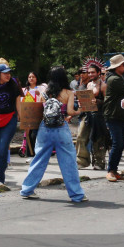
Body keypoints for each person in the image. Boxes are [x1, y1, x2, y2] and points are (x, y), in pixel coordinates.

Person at [20, 67, 86, 202]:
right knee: (68, 162)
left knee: (39, 159)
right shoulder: (68, 92)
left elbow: (38, 110)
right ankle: (77, 195)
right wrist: (80, 110)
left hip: (45, 128)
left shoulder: (44, 92)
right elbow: (70, 112)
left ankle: (27, 189)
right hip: (61, 128)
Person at [103, 54, 124, 182]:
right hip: (113, 115)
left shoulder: (120, 78)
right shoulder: (114, 79)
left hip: (120, 115)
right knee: (117, 143)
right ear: (117, 67)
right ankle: (110, 170)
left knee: (121, 143)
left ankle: (114, 169)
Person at [76, 63, 108, 170]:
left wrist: (98, 101)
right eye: (89, 72)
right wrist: (82, 103)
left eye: (93, 72)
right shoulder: (89, 85)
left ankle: (99, 162)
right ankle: (82, 160)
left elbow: (108, 102)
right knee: (81, 136)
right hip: (87, 114)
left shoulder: (103, 85)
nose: (90, 74)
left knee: (98, 139)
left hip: (99, 116)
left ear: (99, 73)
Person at [23, 72, 44, 156]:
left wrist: (40, 95)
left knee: (35, 134)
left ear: (36, 78)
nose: (31, 78)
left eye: (33, 77)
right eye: (29, 77)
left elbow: (45, 99)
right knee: (28, 134)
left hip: (38, 113)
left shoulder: (41, 88)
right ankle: (29, 153)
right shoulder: (25, 90)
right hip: (27, 114)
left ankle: (37, 153)